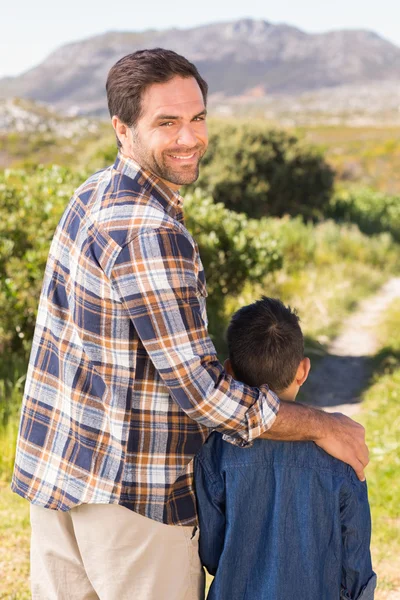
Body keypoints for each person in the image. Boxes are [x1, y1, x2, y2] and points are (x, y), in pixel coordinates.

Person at [12, 48, 368, 600]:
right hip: (133, 503)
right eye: (167, 122)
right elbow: (203, 395)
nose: (190, 137)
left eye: (197, 117)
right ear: (122, 127)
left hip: (59, 477)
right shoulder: (152, 231)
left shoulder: (92, 194)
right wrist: (324, 425)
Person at [195, 296, 377, 600]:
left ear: (230, 372)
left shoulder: (214, 451)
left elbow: (212, 552)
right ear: (302, 371)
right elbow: (355, 555)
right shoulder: (339, 448)